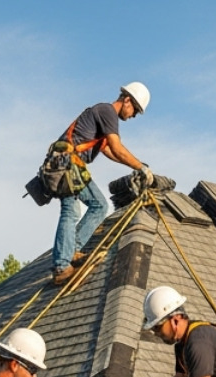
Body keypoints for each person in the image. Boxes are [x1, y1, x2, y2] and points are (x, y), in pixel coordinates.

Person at [49, 82, 151, 287]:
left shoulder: (104, 118)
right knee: (71, 211)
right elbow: (117, 147)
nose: (133, 116)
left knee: (99, 205)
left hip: (71, 165)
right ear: (127, 100)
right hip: (65, 164)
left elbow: (109, 151)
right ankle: (61, 266)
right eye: (135, 111)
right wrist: (141, 167)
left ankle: (73, 248)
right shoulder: (107, 112)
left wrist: (136, 165)